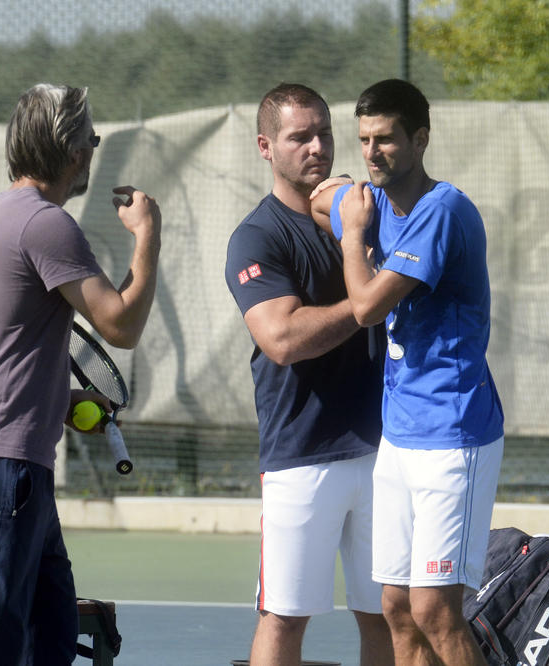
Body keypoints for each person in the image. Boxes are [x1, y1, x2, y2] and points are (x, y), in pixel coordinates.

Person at [0, 83, 161, 665]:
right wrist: (147, 237)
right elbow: (121, 326)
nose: (94, 146)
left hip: (9, 466)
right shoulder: (46, 224)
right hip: (1, 468)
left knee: (51, 635)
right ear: (74, 152)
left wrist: (55, 395)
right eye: (91, 137)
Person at [311, 79, 504, 665]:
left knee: (435, 610)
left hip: (454, 433)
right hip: (400, 435)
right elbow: (322, 198)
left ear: (420, 139)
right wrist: (346, 199)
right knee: (395, 603)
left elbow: (368, 306)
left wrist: (354, 239)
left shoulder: (442, 211)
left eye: (387, 139)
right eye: (364, 139)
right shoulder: (372, 201)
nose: (373, 152)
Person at [224, 83, 393, 666]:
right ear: (266, 147)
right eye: (300, 137)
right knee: (284, 622)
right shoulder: (258, 236)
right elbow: (282, 338)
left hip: (381, 452)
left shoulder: (358, 217)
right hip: (301, 456)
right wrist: (371, 300)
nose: (317, 147)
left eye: (324, 132)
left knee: (390, 617)